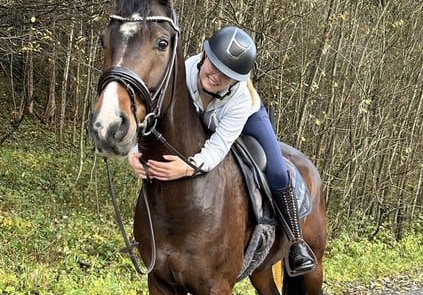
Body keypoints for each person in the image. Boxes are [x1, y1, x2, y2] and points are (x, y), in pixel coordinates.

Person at [128, 26, 316, 276]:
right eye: (213, 66)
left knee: (278, 173)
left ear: (237, 81)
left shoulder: (240, 99)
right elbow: (150, 113)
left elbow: (219, 144)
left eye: (226, 76)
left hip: (246, 119)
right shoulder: (181, 73)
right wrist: (133, 150)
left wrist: (189, 167)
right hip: (196, 119)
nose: (215, 77)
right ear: (204, 56)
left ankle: (296, 242)